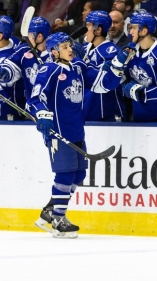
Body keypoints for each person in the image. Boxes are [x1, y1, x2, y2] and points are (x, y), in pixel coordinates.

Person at [18, 32, 127, 237]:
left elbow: (103, 83)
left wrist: (118, 64)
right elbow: (35, 98)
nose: (70, 49)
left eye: (70, 45)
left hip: (76, 129)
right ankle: (58, 219)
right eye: (64, 46)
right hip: (58, 131)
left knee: (79, 174)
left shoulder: (78, 67)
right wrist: (42, 116)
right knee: (66, 173)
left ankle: (51, 210)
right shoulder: (48, 70)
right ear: (53, 51)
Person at [0, 16, 52, 99]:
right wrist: (6, 71)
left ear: (39, 37)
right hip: (32, 106)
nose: (27, 39)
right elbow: (13, 66)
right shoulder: (24, 50)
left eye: (30, 35)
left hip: (55, 106)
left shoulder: (56, 52)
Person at [82, 10, 126, 121]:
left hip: (106, 114)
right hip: (87, 111)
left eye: (88, 26)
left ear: (98, 30)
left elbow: (112, 81)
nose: (85, 30)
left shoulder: (110, 51)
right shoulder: (84, 49)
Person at [0, 15, 25, 120]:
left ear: (0, 36)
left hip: (7, 113)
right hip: (0, 109)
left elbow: (2, 95)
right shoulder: (13, 42)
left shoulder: (2, 60)